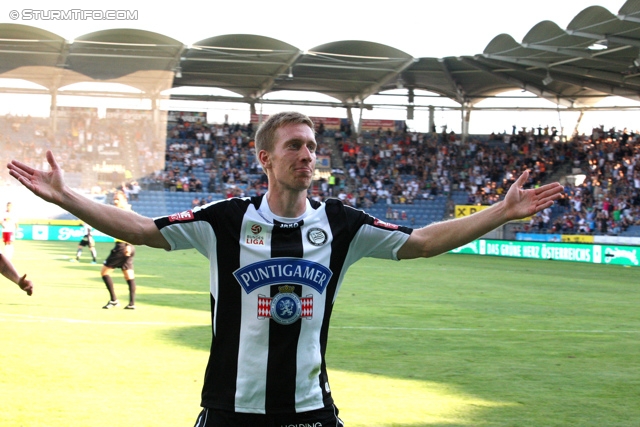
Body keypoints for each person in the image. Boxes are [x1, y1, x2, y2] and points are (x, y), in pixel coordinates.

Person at [7, 111, 563, 427]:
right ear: (264, 158)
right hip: (232, 410)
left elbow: (421, 242)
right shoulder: (223, 220)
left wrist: (501, 211)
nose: (308, 155)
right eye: (295, 145)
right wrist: (68, 198)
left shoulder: (342, 224)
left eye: (313, 147)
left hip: (309, 411)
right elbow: (142, 230)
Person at [100, 191, 137, 310]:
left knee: (104, 273)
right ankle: (132, 303)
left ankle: (114, 300)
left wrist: (128, 245)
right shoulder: (123, 211)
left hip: (122, 246)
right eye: (114, 199)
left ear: (124, 200)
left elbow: (132, 230)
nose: (115, 201)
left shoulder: (126, 212)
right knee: (128, 275)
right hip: (127, 246)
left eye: (118, 199)